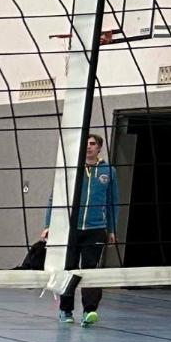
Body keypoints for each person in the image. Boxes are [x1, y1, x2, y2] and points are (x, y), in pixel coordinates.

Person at [56, 134, 119, 326]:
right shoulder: (72, 168)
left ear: (99, 148)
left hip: (96, 229)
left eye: (92, 144)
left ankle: (89, 311)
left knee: (91, 271)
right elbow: (55, 197)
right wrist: (49, 225)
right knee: (69, 270)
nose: (89, 147)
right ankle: (66, 310)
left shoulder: (109, 171)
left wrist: (112, 229)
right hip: (71, 229)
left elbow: (113, 202)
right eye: (86, 144)